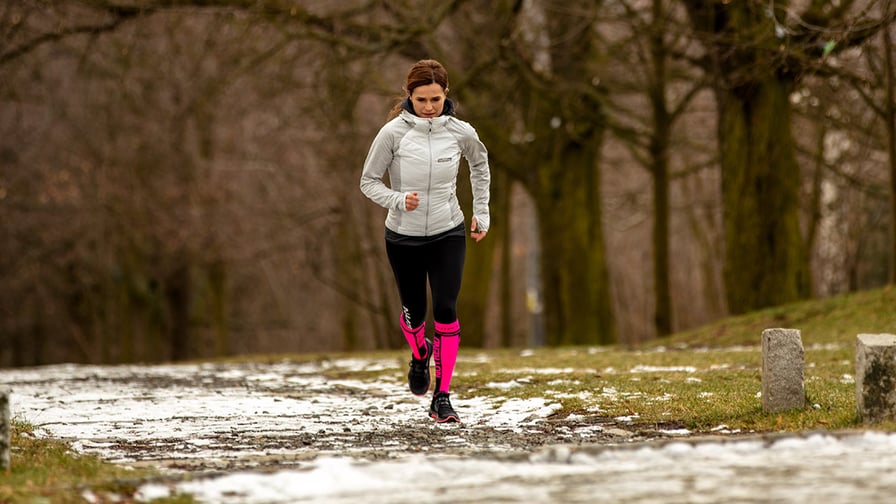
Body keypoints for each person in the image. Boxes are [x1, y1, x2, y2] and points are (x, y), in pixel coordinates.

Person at [360, 59, 491, 423]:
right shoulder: (392, 134)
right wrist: (398, 200)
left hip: (449, 230)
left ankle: (442, 396)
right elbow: (368, 182)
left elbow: (479, 165)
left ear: (446, 94)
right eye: (422, 100)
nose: (430, 107)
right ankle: (420, 355)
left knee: (446, 310)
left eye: (435, 98)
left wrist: (482, 211)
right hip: (403, 235)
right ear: (410, 97)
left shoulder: (461, 131)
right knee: (414, 313)